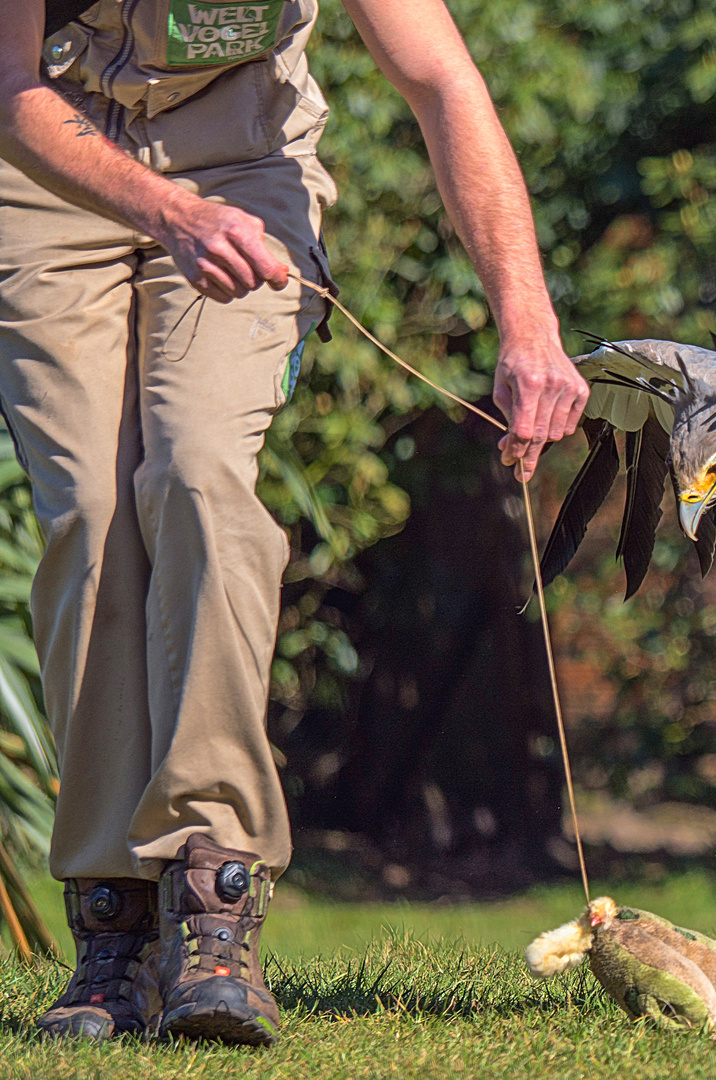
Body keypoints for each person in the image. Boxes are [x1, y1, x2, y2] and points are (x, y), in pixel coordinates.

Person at [0, 0, 588, 1046]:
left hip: (245, 169)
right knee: (90, 514)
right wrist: (165, 214)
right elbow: (11, 86)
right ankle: (113, 924)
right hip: (51, 173)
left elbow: (443, 82)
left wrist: (528, 323)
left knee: (199, 474)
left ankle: (211, 892)